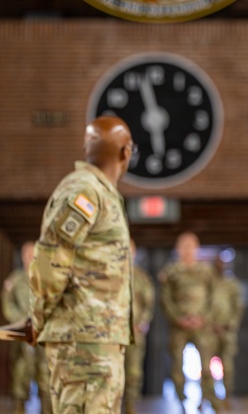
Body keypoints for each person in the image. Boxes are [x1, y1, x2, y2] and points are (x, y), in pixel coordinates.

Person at [28, 116, 134, 413]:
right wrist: (37, 319)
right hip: (83, 347)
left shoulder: (102, 192)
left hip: (98, 344)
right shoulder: (84, 191)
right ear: (126, 152)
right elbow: (51, 259)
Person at [159, 231, 226, 411]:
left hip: (202, 326)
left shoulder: (206, 271)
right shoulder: (171, 271)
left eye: (191, 245)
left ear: (197, 248)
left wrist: (203, 318)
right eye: (184, 245)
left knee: (207, 367)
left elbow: (215, 297)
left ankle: (211, 402)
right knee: (177, 368)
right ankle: (182, 403)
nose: (188, 249)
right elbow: (165, 299)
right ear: (178, 249)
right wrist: (178, 318)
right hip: (178, 327)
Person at [2, 242, 51, 414]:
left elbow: (53, 305)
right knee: (20, 373)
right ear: (22, 257)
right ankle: (19, 409)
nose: (29, 258)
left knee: (45, 374)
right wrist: (22, 323)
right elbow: (8, 305)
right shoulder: (14, 280)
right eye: (26, 255)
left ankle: (46, 409)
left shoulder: (47, 279)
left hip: (43, 335)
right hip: (22, 334)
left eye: (32, 255)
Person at [124, 239, 156, 414]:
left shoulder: (142, 278)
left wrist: (142, 324)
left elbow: (149, 305)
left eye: (130, 249)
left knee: (133, 372)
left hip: (135, 333)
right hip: (112, 335)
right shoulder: (108, 276)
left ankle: (130, 404)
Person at [210, 253, 244, 397]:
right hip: (209, 331)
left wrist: (229, 324)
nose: (220, 266)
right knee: (207, 365)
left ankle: (227, 395)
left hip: (227, 331)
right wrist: (211, 324)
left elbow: (238, 307)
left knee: (228, 365)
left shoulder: (232, 284)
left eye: (222, 263)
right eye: (217, 263)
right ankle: (209, 396)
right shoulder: (208, 283)